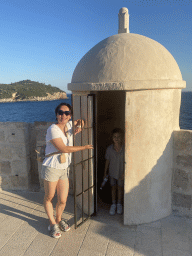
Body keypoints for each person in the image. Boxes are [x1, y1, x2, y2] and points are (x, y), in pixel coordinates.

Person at [41, 102, 93, 238]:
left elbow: (82, 121)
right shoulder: (53, 129)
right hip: (51, 167)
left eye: (66, 113)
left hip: (64, 168)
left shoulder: (69, 125)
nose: (63, 115)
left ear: (70, 116)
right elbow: (63, 149)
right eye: (60, 112)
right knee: (49, 196)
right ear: (56, 114)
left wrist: (79, 126)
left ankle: (59, 219)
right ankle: (52, 223)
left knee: (63, 199)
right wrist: (84, 147)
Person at [103, 128, 124, 215]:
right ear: (112, 138)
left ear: (122, 138)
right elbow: (107, 161)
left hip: (121, 173)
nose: (116, 138)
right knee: (113, 188)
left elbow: (127, 161)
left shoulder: (125, 149)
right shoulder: (109, 149)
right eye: (115, 137)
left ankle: (119, 204)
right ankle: (114, 204)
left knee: (120, 188)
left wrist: (124, 173)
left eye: (118, 137)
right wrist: (105, 173)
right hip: (112, 173)